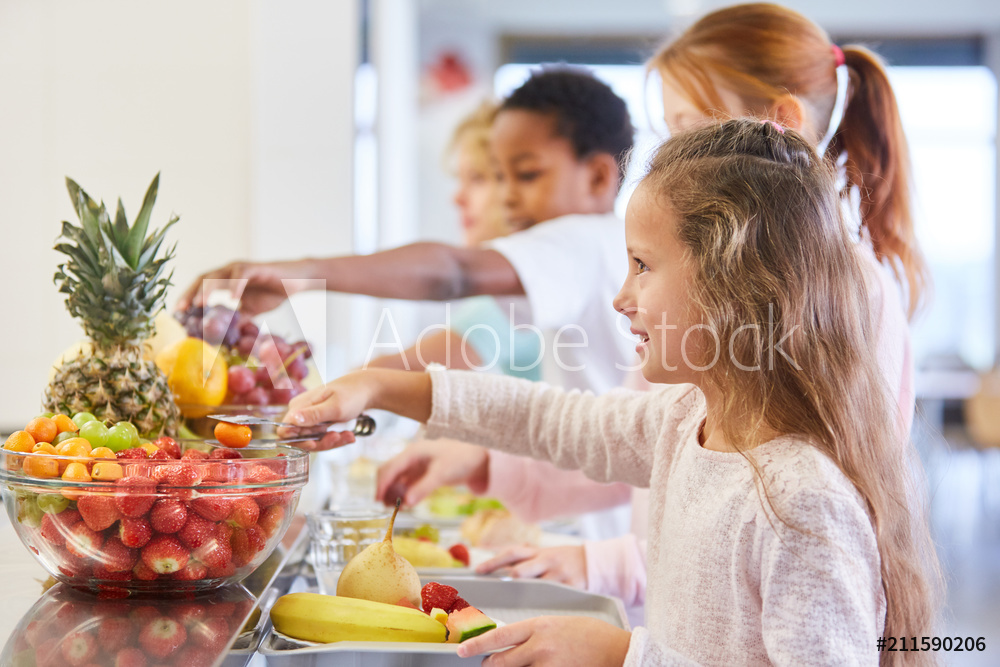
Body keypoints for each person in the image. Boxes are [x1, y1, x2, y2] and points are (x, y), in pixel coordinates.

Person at [283, 119, 941, 666]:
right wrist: (378, 386)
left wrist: (623, 653)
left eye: (643, 266)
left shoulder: (804, 500)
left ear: (739, 287)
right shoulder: (688, 420)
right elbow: (551, 419)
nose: (622, 297)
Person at [375, 1, 927, 607]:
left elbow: (787, 530)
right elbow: (631, 438)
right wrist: (484, 460)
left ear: (779, 125)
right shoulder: (701, 309)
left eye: (691, 130)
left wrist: (606, 566)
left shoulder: (847, 295)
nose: (673, 158)